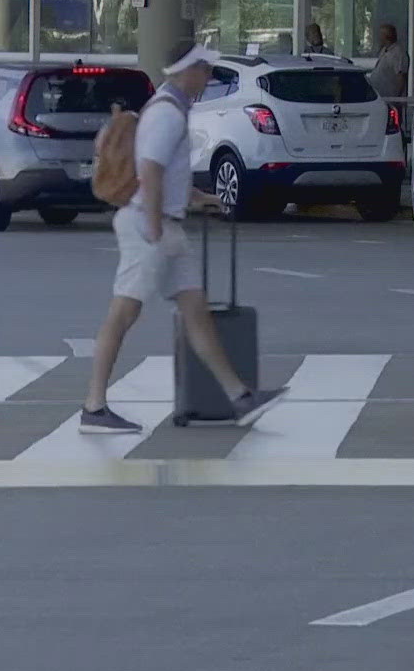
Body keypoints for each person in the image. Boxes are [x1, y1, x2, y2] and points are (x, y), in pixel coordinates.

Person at [79, 41, 287, 434]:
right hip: (148, 224)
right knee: (124, 313)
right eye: (203, 69)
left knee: (195, 309)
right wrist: (156, 224)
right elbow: (151, 169)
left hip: (163, 225)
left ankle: (240, 397)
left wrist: (197, 198)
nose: (208, 77)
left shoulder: (171, 109)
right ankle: (94, 406)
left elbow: (168, 172)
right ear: (185, 71)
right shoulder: (167, 113)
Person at [369, 23, 407, 100]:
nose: (378, 37)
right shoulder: (385, 50)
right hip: (380, 96)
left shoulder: (397, 53)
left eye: (381, 34)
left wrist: (396, 98)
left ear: (386, 36)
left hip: (390, 98)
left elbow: (400, 77)